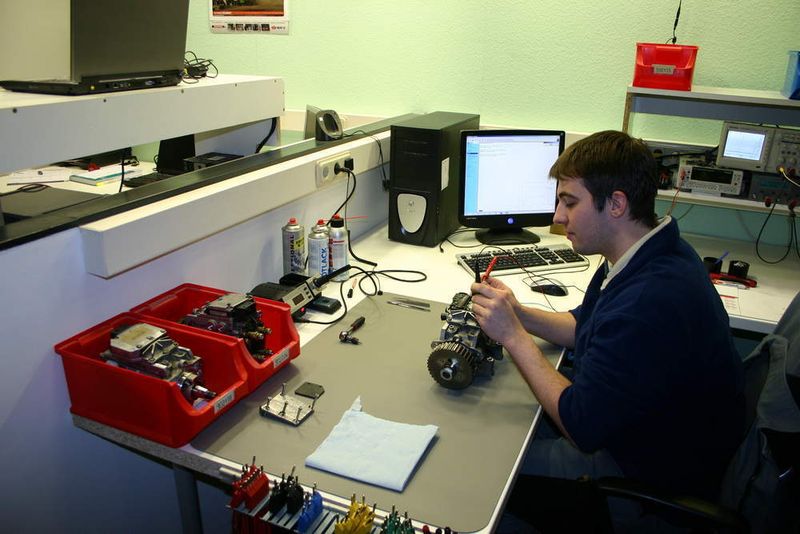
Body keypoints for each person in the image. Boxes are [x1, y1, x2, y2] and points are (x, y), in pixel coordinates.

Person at [470, 131, 745, 521]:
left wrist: (513, 337)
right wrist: (518, 312)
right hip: (638, 429)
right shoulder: (646, 251)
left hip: (642, 471)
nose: (557, 217)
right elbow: (583, 325)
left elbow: (581, 425)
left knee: (486, 457)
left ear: (615, 204)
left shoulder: (649, 299)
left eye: (570, 202)